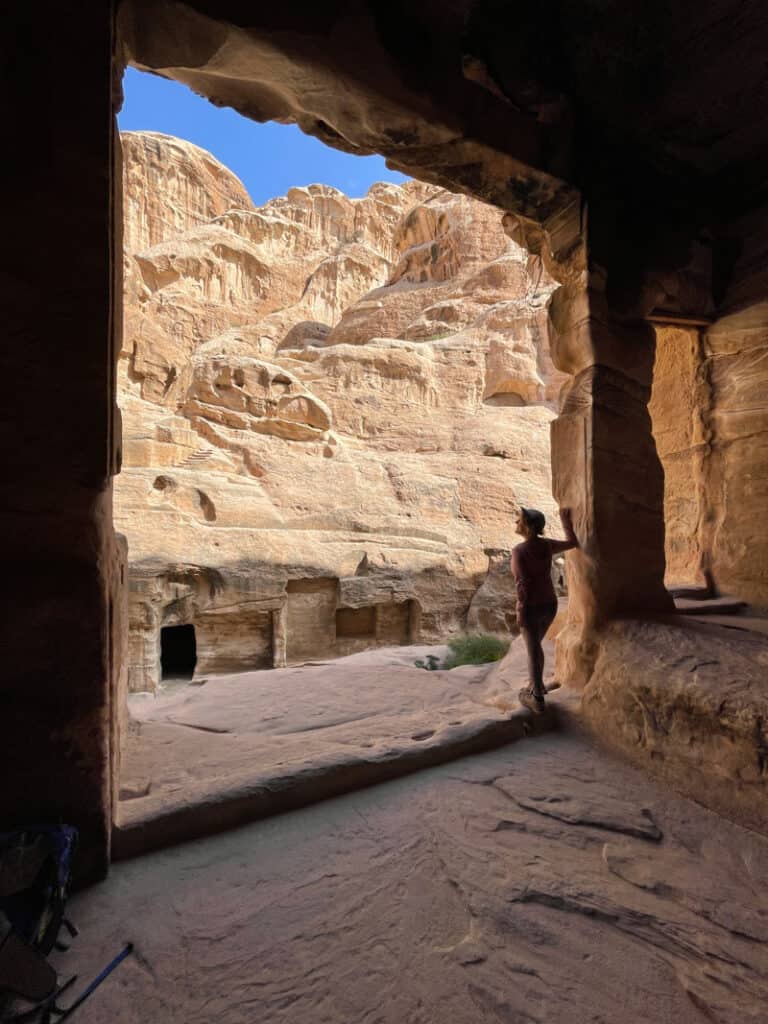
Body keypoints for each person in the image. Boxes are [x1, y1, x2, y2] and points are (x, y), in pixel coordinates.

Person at [511, 506, 578, 712]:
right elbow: (572, 543)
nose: (516, 523)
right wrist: (566, 522)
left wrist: (521, 609)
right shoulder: (547, 545)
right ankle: (536, 685)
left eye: (519, 520)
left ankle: (537, 699)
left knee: (533, 651)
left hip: (531, 606)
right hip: (549, 604)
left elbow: (522, 583)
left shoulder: (519, 551)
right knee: (536, 646)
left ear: (529, 527)